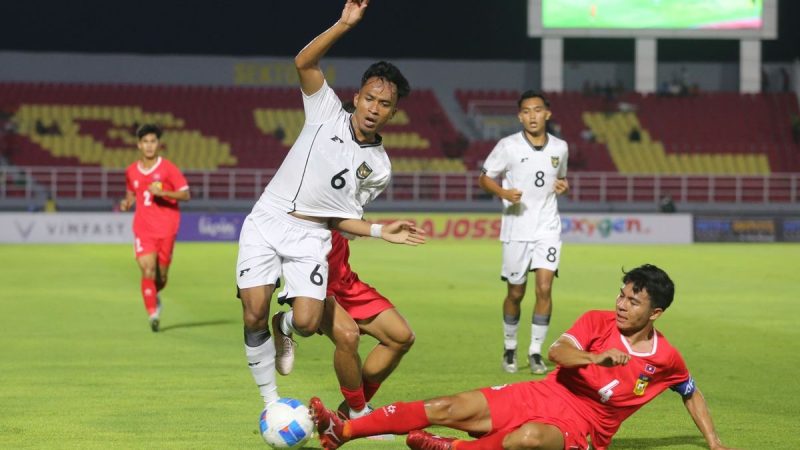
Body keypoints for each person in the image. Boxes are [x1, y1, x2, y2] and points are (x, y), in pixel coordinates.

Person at [310, 264, 736, 450]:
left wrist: (713, 442)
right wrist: (593, 357)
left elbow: (690, 390)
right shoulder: (597, 321)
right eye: (621, 295)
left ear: (655, 313)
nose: (622, 305)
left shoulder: (665, 357)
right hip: (540, 393)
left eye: (634, 301)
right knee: (443, 406)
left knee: (526, 440)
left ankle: (452, 448)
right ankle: (342, 430)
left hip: (582, 430)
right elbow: (556, 353)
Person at [236, 0, 424, 414]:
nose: (374, 109)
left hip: (313, 235)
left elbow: (341, 219)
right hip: (268, 219)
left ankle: (285, 325)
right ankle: (273, 405)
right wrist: (343, 24)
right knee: (252, 312)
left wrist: (379, 230)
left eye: (385, 104)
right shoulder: (325, 112)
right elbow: (304, 62)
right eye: (370, 99)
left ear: (393, 112)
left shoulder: (378, 166)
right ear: (356, 97)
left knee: (305, 323)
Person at [477, 91, 569, 375]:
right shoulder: (508, 146)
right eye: (527, 111)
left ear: (547, 114)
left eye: (537, 110)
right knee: (516, 292)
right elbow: (483, 177)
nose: (532, 116)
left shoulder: (560, 147)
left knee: (544, 288)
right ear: (520, 116)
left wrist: (563, 185)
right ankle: (510, 346)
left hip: (548, 228)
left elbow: (561, 177)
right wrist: (503, 192)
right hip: (517, 228)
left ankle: (536, 352)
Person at [283, 230, 415, 421]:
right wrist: (379, 230)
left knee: (401, 336)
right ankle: (359, 413)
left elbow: (348, 228)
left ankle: (350, 410)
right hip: (313, 283)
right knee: (348, 336)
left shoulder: (350, 200)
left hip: (344, 281)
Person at [120, 124, 190, 332]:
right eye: (145, 142)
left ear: (158, 144)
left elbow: (185, 194)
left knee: (161, 278)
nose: (149, 146)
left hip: (167, 228)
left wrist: (164, 194)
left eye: (153, 141)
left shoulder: (168, 169)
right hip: (143, 229)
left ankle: (153, 295)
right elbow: (132, 191)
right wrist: (127, 202)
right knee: (147, 269)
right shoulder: (131, 171)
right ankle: (153, 313)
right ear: (139, 145)